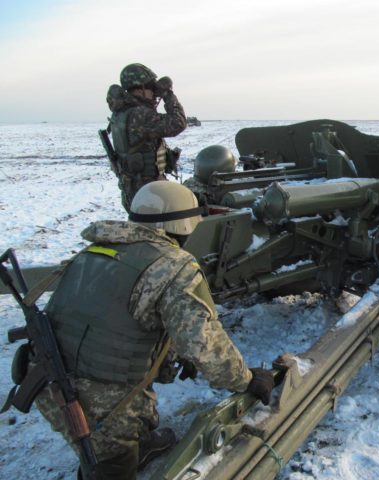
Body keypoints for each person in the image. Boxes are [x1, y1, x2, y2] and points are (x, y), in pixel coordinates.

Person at [34, 181, 274, 479]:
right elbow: (204, 342)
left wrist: (171, 350)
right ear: (184, 224)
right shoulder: (173, 264)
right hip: (93, 403)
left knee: (118, 420)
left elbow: (120, 318)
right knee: (110, 467)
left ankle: (136, 443)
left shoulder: (96, 249)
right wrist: (246, 380)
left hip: (47, 383)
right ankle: (115, 456)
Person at [106, 63, 187, 212]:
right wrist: (168, 95)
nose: (154, 95)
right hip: (149, 194)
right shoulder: (140, 114)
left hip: (133, 190)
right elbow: (178, 123)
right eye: (151, 89)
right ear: (141, 89)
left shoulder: (121, 113)